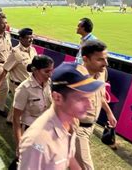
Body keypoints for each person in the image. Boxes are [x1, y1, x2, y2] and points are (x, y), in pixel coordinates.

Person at [18, 62, 103, 169]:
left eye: (89, 97)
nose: (90, 105)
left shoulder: (71, 122)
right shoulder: (37, 142)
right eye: (81, 99)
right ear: (58, 98)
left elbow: (68, 156)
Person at [76, 40, 117, 169]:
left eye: (106, 59)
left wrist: (109, 113)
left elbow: (100, 96)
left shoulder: (102, 72)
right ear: (85, 59)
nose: (106, 63)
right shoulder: (75, 79)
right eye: (100, 60)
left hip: (90, 127)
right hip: (77, 130)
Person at [12, 55, 54, 155]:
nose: (50, 74)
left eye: (52, 70)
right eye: (47, 71)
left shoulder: (48, 83)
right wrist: (19, 143)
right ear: (35, 70)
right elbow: (16, 119)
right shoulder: (24, 89)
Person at [0, 28, 36, 122]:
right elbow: (5, 70)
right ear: (21, 39)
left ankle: (10, 119)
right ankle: (13, 120)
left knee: (19, 104)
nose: (30, 40)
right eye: (27, 38)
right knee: (21, 104)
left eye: (31, 37)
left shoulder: (33, 50)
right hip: (17, 84)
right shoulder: (15, 52)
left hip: (29, 83)